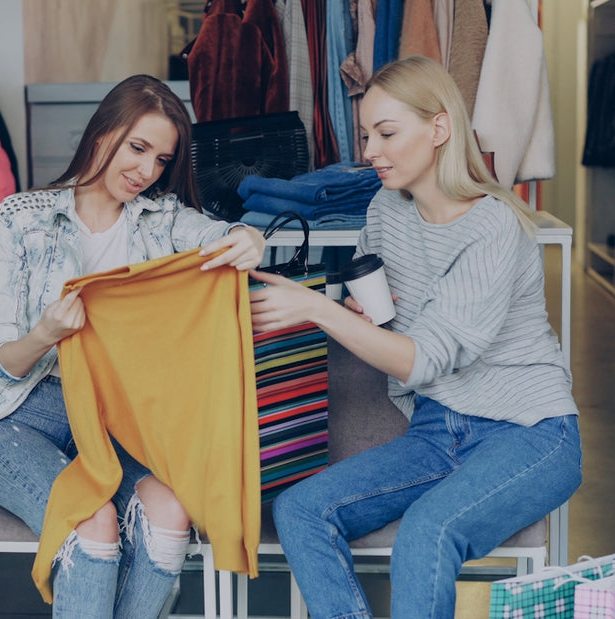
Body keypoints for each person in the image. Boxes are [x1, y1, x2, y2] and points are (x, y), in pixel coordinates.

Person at [248, 55, 583, 619]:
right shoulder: (386, 211)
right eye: (366, 135)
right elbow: (386, 318)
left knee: (429, 530)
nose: (370, 151)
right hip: (434, 430)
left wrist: (319, 309)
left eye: (386, 132)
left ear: (439, 128)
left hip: (529, 433)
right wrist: (358, 310)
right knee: (301, 510)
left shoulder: (495, 225)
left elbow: (425, 358)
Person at [0, 74, 265, 618]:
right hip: (16, 417)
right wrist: (45, 334)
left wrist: (249, 238)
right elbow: (2, 365)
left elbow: (224, 236)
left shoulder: (162, 220)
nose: (146, 171)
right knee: (93, 519)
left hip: (109, 424)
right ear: (102, 134)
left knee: (170, 513)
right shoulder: (20, 218)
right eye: (138, 148)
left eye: (161, 160)